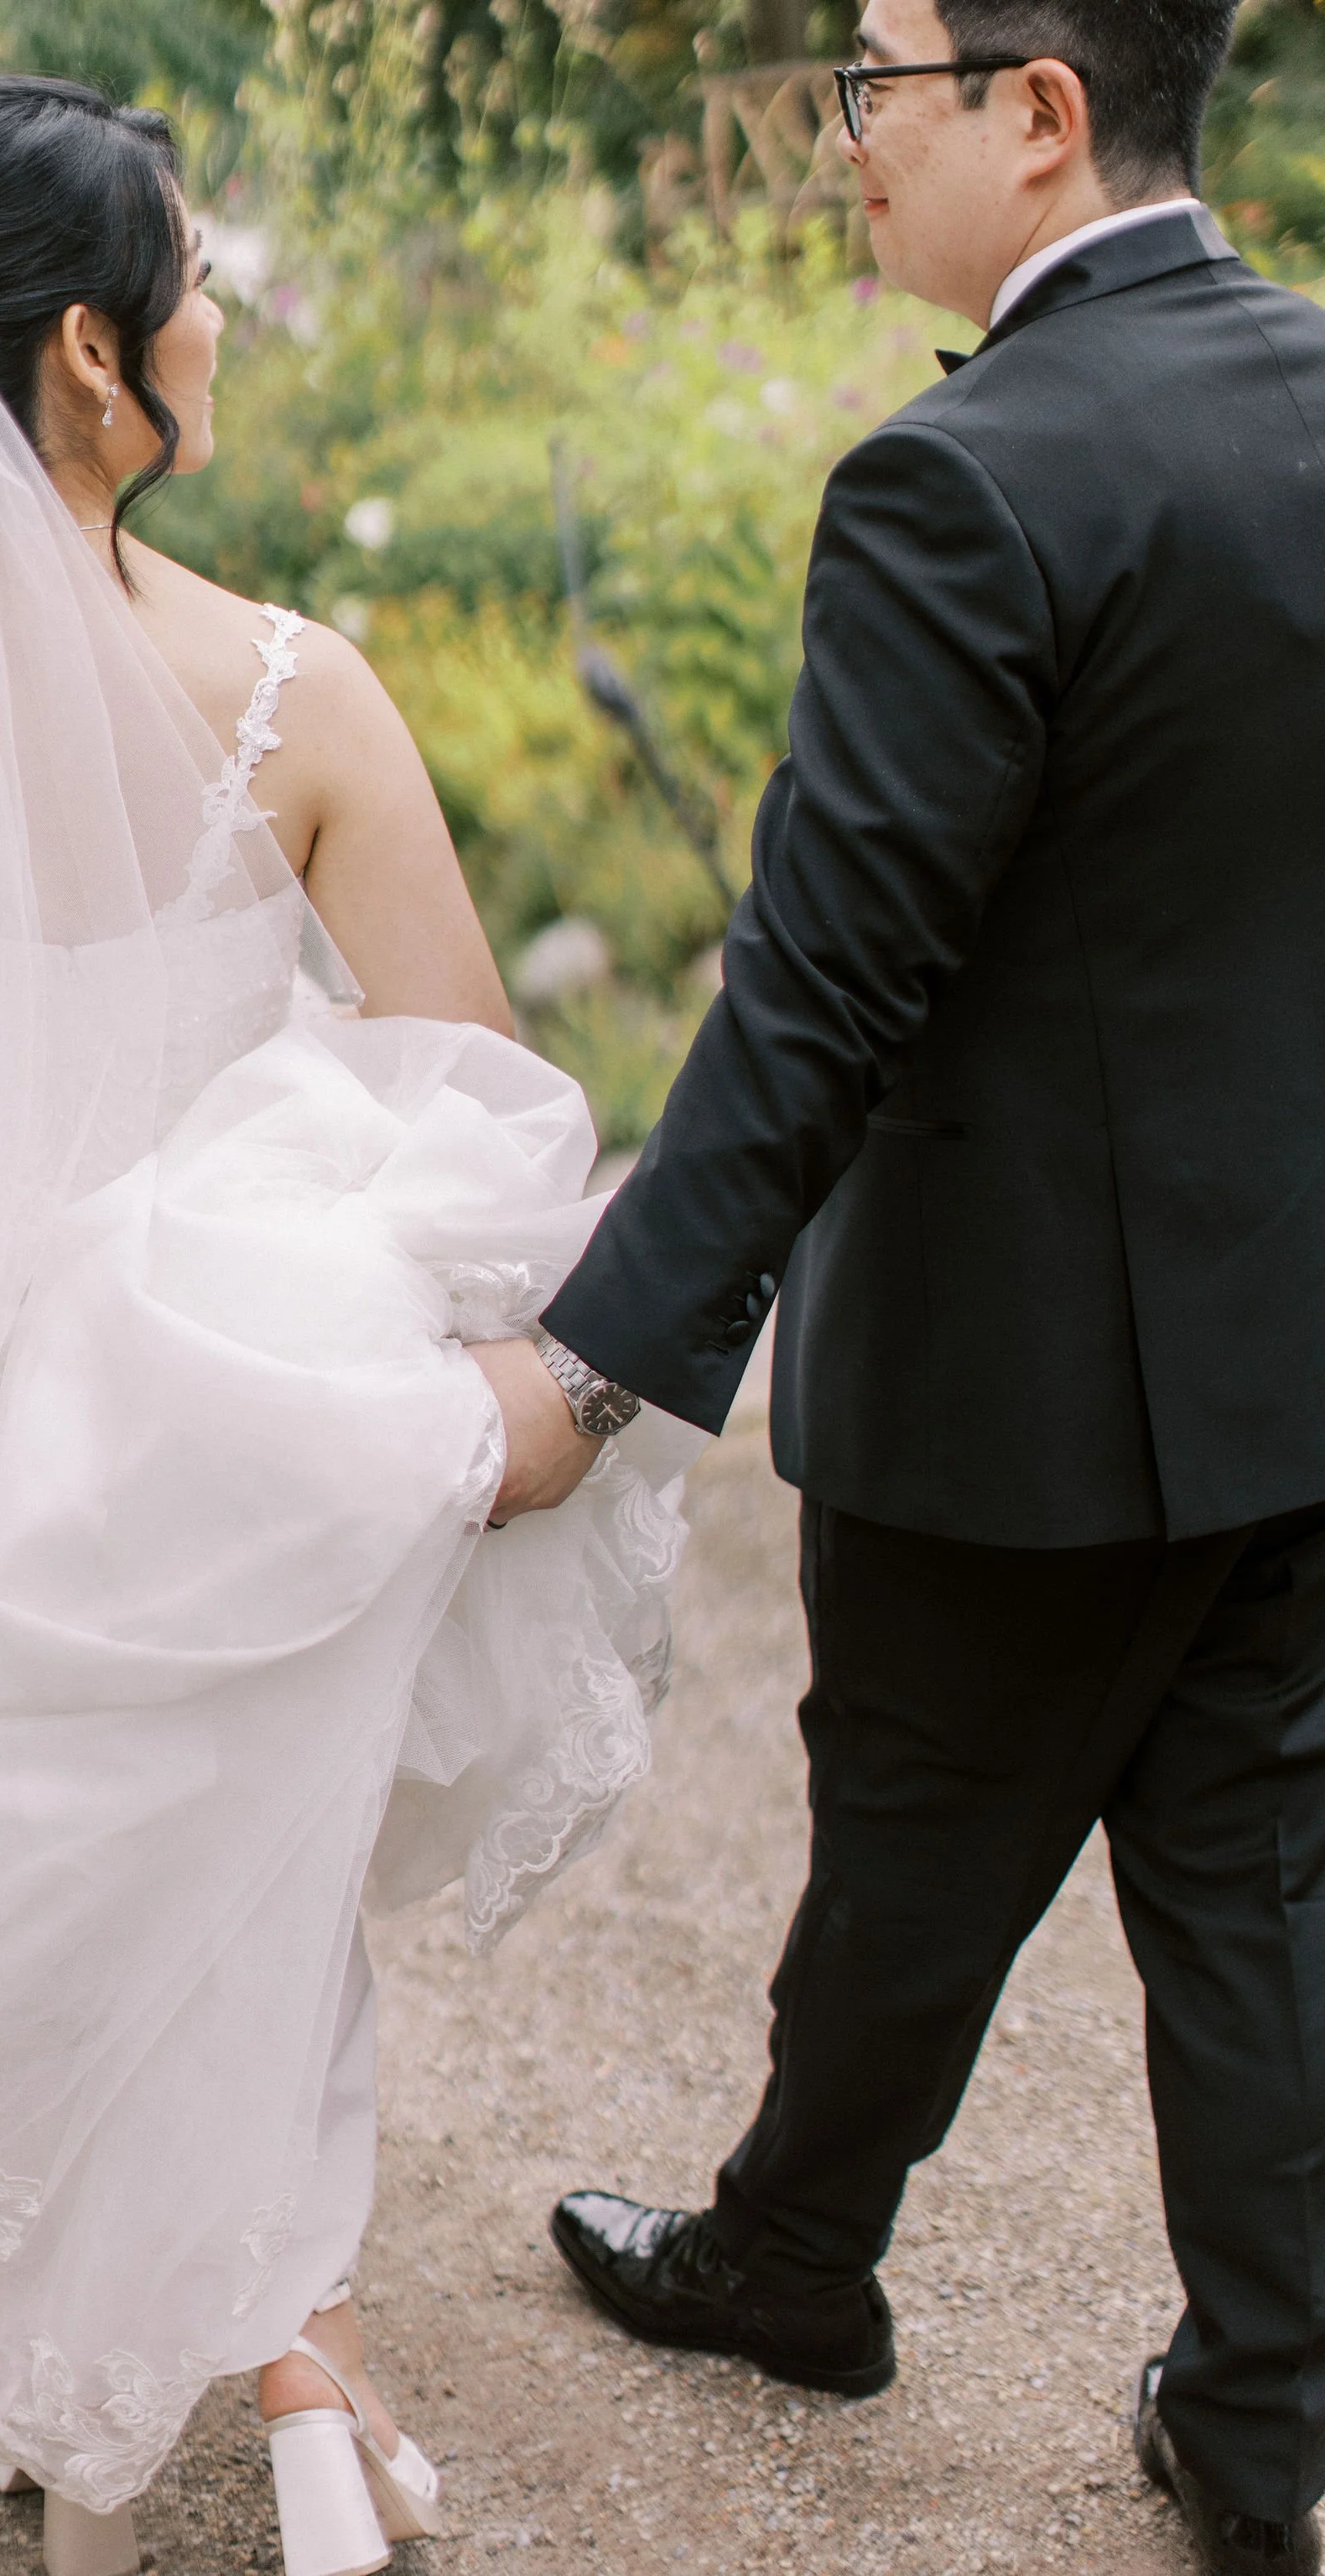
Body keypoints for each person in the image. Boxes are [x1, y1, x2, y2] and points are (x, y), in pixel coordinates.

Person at [0, 75, 694, 2576]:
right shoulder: (290, 696)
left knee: (4, 1910)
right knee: (232, 1851)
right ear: (95, 365)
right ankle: (288, 2384)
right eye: (191, 282)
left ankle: (121, 2403)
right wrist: (289, 1181)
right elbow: (496, 1111)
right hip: (184, 1440)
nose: (226, 315)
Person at [490, 4, 1325, 2571]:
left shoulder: (965, 479)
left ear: (1036, 109)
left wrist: (598, 1360)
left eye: (875, 87)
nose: (842, 144)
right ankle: (1278, 2431)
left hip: (1022, 1380)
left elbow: (821, 985)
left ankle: (792, 2261)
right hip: (1297, 1336)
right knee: (1258, 1875)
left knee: (916, 1838)